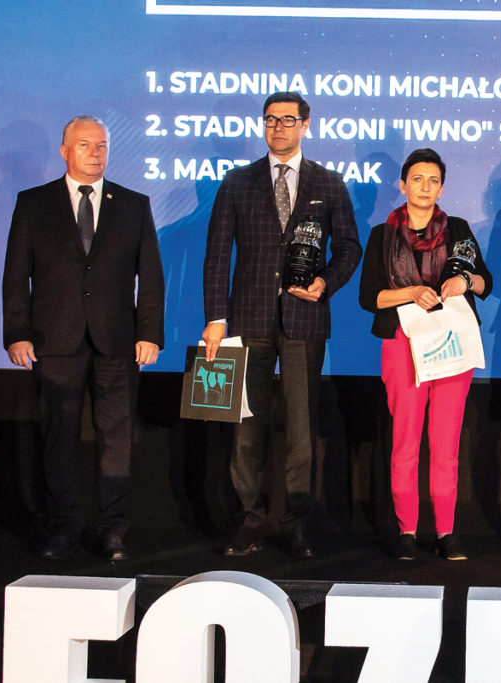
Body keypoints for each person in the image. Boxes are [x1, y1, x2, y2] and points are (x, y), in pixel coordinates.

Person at [203, 92, 362, 559]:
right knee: (245, 429)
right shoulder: (237, 182)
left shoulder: (328, 182)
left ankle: (297, 523)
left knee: (300, 430)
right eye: (271, 120)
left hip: (304, 319)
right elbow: (217, 254)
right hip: (246, 320)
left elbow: (349, 247)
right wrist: (215, 319)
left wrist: (324, 283)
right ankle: (248, 521)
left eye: (288, 120)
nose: (278, 128)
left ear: (306, 125)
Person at [2, 115, 165, 561]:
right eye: (85, 145)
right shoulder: (34, 203)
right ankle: (64, 526)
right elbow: (15, 274)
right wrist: (17, 332)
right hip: (53, 339)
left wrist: (150, 332)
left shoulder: (132, 204)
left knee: (116, 438)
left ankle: (113, 530)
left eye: (102, 145)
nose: (95, 152)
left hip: (118, 340)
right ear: (65, 151)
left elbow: (151, 275)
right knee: (59, 439)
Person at [359, 148, 492, 560]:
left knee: (446, 443)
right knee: (406, 441)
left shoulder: (458, 229)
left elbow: (486, 282)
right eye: (417, 179)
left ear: (442, 188)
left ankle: (446, 531)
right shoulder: (383, 235)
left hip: (451, 341)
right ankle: (407, 531)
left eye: (433, 180)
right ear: (403, 185)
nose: (425, 187)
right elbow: (369, 297)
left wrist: (467, 281)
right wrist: (412, 293)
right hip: (402, 342)